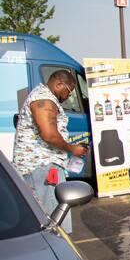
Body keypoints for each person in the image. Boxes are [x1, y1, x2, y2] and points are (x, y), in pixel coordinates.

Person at [12, 70, 88, 233]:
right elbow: (49, 135)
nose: (68, 96)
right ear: (59, 84)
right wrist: (73, 149)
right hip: (42, 167)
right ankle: (58, 253)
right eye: (69, 92)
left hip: (41, 166)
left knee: (47, 217)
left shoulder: (43, 97)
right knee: (54, 222)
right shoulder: (44, 100)